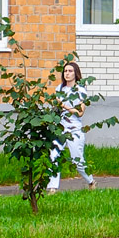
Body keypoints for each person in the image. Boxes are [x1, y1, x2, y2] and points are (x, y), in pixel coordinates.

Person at [48, 62, 95, 193]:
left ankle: (90, 181)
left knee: (77, 160)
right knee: (53, 155)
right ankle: (52, 187)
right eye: (65, 71)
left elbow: (80, 112)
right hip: (61, 128)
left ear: (76, 74)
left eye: (70, 71)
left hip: (75, 128)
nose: (67, 73)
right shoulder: (59, 89)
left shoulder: (80, 91)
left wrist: (65, 106)